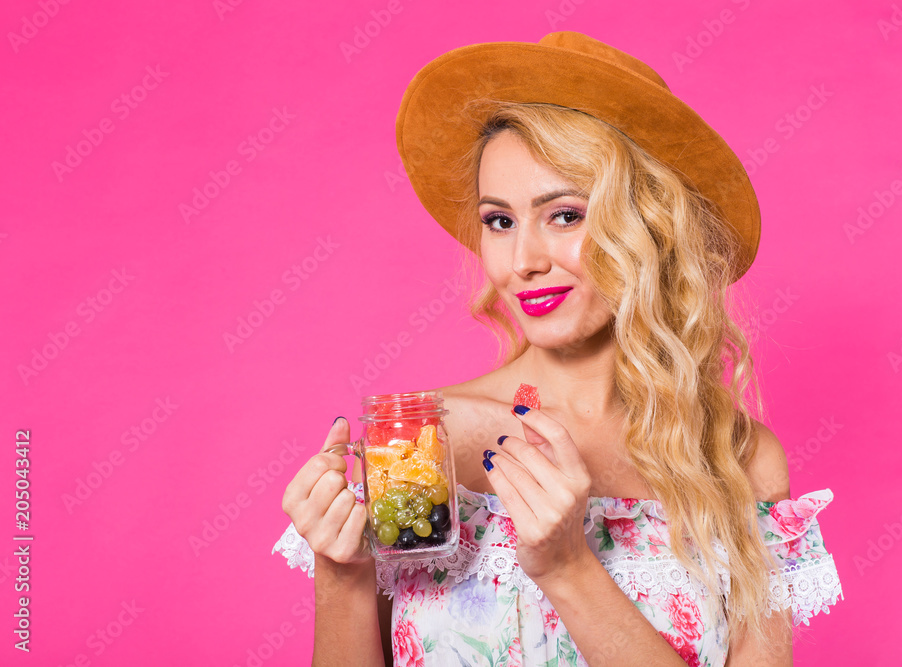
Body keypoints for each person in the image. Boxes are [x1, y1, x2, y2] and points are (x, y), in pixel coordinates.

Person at [273, 31, 843, 666]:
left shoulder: (738, 460)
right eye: (500, 221)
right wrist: (342, 573)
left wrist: (569, 567)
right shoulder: (425, 439)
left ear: (650, 227)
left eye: (565, 215)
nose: (523, 262)